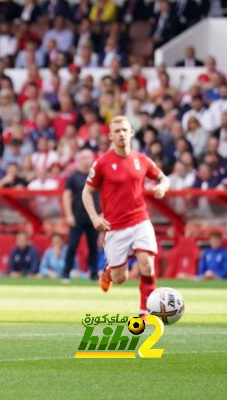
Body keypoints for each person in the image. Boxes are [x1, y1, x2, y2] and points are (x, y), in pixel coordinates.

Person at [83, 116, 171, 316]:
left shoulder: (142, 160)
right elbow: (86, 192)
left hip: (140, 220)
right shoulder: (102, 163)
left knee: (146, 264)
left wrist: (162, 188)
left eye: (124, 130)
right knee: (120, 277)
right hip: (115, 227)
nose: (121, 134)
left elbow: (164, 178)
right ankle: (108, 273)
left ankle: (145, 311)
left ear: (131, 132)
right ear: (110, 136)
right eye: (117, 131)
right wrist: (95, 218)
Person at [62, 149, 99, 281]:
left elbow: (104, 195)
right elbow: (66, 195)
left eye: (88, 157)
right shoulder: (73, 177)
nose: (85, 160)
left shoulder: (97, 175)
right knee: (72, 245)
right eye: (83, 158)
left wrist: (101, 213)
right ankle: (65, 273)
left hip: (93, 217)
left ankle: (94, 273)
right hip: (77, 217)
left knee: (93, 246)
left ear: (92, 159)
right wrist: (69, 215)